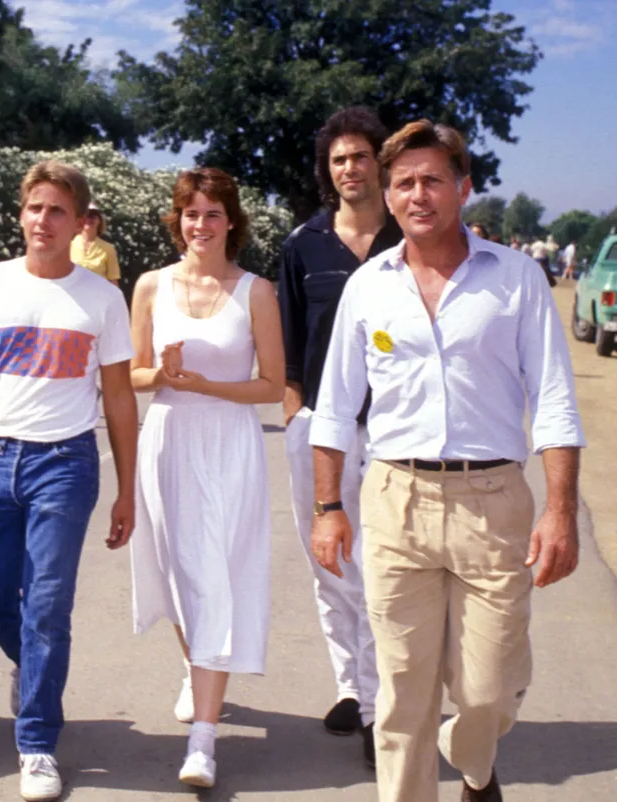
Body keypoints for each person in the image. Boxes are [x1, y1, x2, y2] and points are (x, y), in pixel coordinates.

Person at [309, 120, 585, 802]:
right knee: (402, 690)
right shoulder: (369, 287)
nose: (417, 194)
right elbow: (335, 407)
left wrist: (558, 511)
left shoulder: (516, 280)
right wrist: (328, 507)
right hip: (395, 499)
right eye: (403, 183)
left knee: (488, 688)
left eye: (433, 180)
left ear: (464, 189)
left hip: (492, 502)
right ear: (388, 194)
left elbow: (553, 401)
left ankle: (476, 767)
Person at [0, 161, 139, 802]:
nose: (43, 221)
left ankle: (37, 742)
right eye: (35, 208)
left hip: (66, 466)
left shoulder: (101, 299)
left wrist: (126, 488)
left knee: (47, 606)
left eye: (58, 211)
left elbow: (120, 398)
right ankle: (34, 666)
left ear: (80, 223)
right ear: (21, 213)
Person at [128, 167, 284, 788]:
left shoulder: (256, 292)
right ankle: (199, 672)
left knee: (215, 571)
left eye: (213, 214)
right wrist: (163, 377)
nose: (201, 224)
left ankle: (203, 741)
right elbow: (131, 375)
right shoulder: (148, 286)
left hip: (229, 443)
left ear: (232, 222)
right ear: (178, 220)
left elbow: (271, 385)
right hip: (166, 441)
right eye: (191, 213)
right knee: (178, 569)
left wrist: (209, 385)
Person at [278, 107, 402, 768]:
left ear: (379, 163)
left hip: (391, 434)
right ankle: (351, 689)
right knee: (330, 565)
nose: (350, 169)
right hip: (319, 430)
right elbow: (291, 351)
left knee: (381, 570)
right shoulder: (304, 245)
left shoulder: (409, 239)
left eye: (359, 157)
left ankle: (384, 708)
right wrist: (300, 418)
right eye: (338, 160)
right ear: (328, 173)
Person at [70, 201, 121, 286]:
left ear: (99, 220)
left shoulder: (108, 249)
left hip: (99, 297)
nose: (90, 219)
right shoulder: (68, 246)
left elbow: (113, 281)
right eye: (86, 215)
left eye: (94, 215)